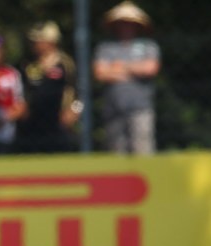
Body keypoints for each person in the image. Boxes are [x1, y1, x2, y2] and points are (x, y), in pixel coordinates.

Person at [93, 2, 160, 154]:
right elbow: (100, 73)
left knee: (143, 148)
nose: (126, 27)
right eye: (122, 23)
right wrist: (134, 69)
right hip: (113, 108)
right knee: (116, 151)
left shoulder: (148, 46)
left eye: (129, 24)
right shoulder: (106, 48)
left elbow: (150, 68)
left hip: (140, 107)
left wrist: (119, 67)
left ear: (136, 26)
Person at [18, 21, 79, 153]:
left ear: (51, 41)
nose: (34, 44)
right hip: (33, 123)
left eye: (38, 41)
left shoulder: (65, 64)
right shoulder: (28, 64)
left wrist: (74, 111)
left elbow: (79, 92)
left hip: (58, 122)